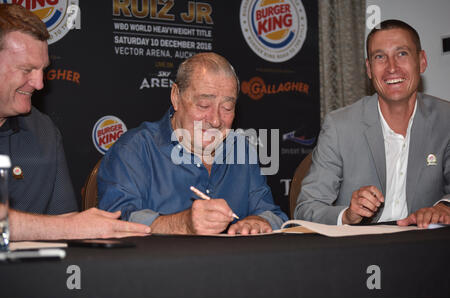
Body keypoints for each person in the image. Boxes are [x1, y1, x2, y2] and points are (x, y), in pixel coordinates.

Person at [0, 3, 151, 240]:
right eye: (27, 69)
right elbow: (67, 227)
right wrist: (66, 227)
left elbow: (67, 220)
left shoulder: (44, 132)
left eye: (43, 70)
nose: (39, 84)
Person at [98, 52, 288, 235]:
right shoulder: (134, 149)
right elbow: (116, 220)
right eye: (204, 105)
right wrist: (183, 224)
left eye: (227, 108)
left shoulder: (241, 150)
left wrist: (259, 221)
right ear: (176, 97)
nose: (215, 120)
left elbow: (273, 214)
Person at [295, 19, 450, 228]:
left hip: (425, 249)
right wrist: (347, 216)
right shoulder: (340, 126)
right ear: (369, 69)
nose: (392, 67)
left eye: (402, 54)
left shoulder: (445, 119)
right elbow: (306, 208)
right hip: (359, 251)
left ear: (421, 61)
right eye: (380, 57)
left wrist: (444, 207)